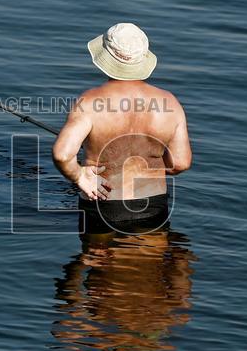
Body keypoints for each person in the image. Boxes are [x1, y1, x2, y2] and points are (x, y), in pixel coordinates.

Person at [52, 23, 192, 235]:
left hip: (104, 204)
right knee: (149, 266)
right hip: (153, 205)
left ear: (106, 58)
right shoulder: (170, 102)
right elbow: (180, 163)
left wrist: (79, 176)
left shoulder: (90, 102)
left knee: (98, 263)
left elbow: (62, 155)